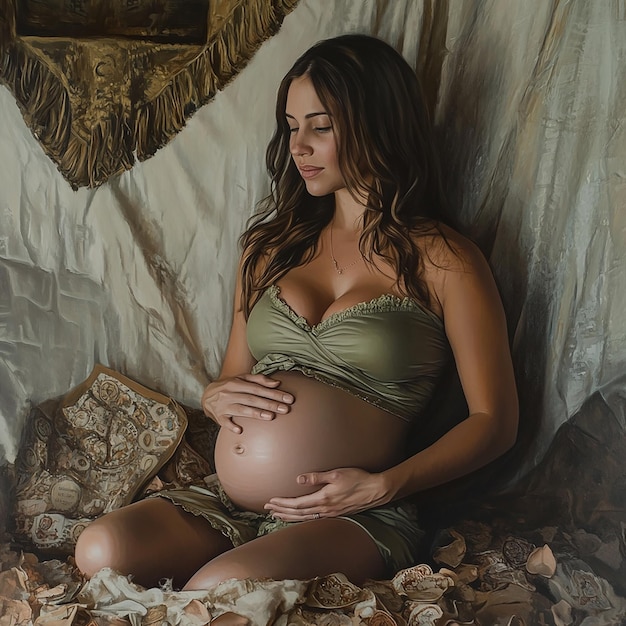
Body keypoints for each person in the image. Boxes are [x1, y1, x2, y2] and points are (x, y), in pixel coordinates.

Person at [74, 34, 518, 593]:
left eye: (321, 126)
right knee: (99, 549)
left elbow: (494, 422)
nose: (298, 147)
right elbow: (232, 376)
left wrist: (385, 486)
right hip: (229, 500)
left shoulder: (444, 259)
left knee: (218, 591)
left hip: (352, 512)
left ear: (377, 124)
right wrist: (215, 394)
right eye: (291, 126)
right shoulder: (269, 248)